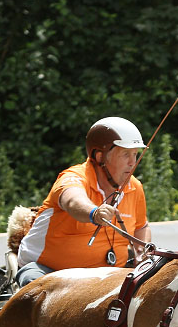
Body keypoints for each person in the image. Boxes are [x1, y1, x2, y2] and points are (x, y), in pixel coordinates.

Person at [16, 117, 152, 286]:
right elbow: (72, 201)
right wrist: (94, 213)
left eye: (135, 154)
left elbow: (141, 226)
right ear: (100, 156)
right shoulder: (73, 177)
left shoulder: (135, 187)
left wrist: (141, 251)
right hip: (48, 270)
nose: (133, 163)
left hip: (108, 277)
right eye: (126, 155)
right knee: (38, 291)